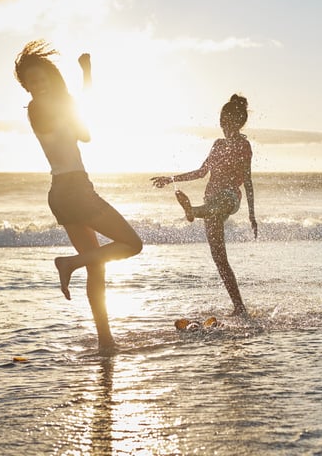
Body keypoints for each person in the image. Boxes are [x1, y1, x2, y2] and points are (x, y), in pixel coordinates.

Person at [14, 40, 143, 354]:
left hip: (65, 192)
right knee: (133, 244)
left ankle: (105, 342)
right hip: (73, 191)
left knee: (97, 268)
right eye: (32, 82)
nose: (38, 86)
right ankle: (69, 263)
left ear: (51, 78)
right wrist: (81, 83)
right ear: (27, 88)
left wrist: (86, 76)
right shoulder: (37, 109)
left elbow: (85, 134)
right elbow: (71, 122)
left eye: (42, 79)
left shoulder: (59, 103)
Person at [151, 94, 257, 316]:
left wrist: (251, 216)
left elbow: (247, 180)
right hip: (211, 202)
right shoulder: (217, 145)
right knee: (220, 259)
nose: (223, 125)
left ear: (238, 122)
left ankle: (193, 211)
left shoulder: (243, 145)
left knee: (219, 202)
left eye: (227, 121)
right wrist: (171, 179)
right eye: (221, 121)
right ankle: (239, 307)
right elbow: (201, 172)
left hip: (229, 198)